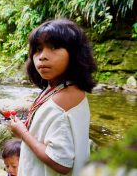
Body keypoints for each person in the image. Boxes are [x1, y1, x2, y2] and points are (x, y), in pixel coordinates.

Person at [9, 18, 97, 176]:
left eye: (54, 47)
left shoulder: (63, 100)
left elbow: (61, 163)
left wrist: (23, 133)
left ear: (74, 53)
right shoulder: (61, 87)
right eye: (38, 49)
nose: (42, 56)